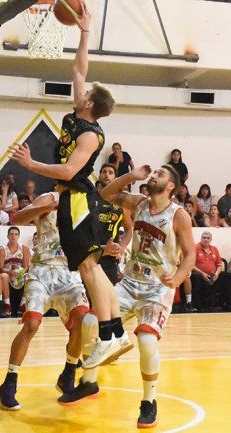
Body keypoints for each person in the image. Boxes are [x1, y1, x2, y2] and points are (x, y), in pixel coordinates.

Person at [10, 1, 125, 369]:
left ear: (90, 103)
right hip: (70, 198)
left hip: (77, 197)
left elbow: (68, 170)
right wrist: (85, 30)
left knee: (90, 268)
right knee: (90, 266)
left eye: (87, 91)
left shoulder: (90, 134)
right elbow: (79, 66)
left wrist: (32, 164)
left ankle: (110, 333)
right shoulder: (79, 109)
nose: (82, 88)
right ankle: (113, 332)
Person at [62, 164, 196, 429]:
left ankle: (149, 401)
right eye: (154, 172)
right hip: (130, 281)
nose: (154, 175)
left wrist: (179, 278)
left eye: (161, 174)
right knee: (89, 324)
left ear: (171, 186)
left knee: (146, 341)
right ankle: (89, 382)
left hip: (157, 289)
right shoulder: (140, 203)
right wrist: (131, 177)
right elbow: (105, 195)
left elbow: (190, 253)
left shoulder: (178, 215)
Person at [0, 192, 91, 411]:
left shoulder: (86, 202)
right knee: (31, 324)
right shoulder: (49, 197)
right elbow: (17, 219)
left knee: (83, 322)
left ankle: (68, 373)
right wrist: (45, 208)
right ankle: (9, 382)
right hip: (42, 271)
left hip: (69, 273)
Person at [96, 164, 131, 285]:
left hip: (109, 257)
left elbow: (129, 229)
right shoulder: (90, 198)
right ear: (99, 175)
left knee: (109, 300)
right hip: (90, 253)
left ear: (115, 179)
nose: (106, 174)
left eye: (110, 172)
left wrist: (121, 247)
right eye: (104, 171)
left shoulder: (121, 203)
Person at [191, 232, 231, 312]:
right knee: (196, 276)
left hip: (213, 275)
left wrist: (216, 274)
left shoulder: (214, 249)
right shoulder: (195, 248)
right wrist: (202, 273)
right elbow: (190, 264)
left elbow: (219, 265)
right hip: (199, 274)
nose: (206, 239)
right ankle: (198, 306)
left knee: (226, 276)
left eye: (208, 238)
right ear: (201, 238)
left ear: (211, 240)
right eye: (204, 237)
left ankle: (228, 305)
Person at [0, 226, 31, 316]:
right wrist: (10, 272)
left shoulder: (24, 248)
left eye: (16, 234)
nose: (14, 236)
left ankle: (22, 304)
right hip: (7, 274)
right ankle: (7, 305)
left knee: (29, 276)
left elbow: (26, 266)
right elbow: (0, 268)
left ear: (18, 236)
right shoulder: (2, 249)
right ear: (8, 236)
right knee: (3, 276)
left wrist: (20, 272)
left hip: (19, 274)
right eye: (11, 234)